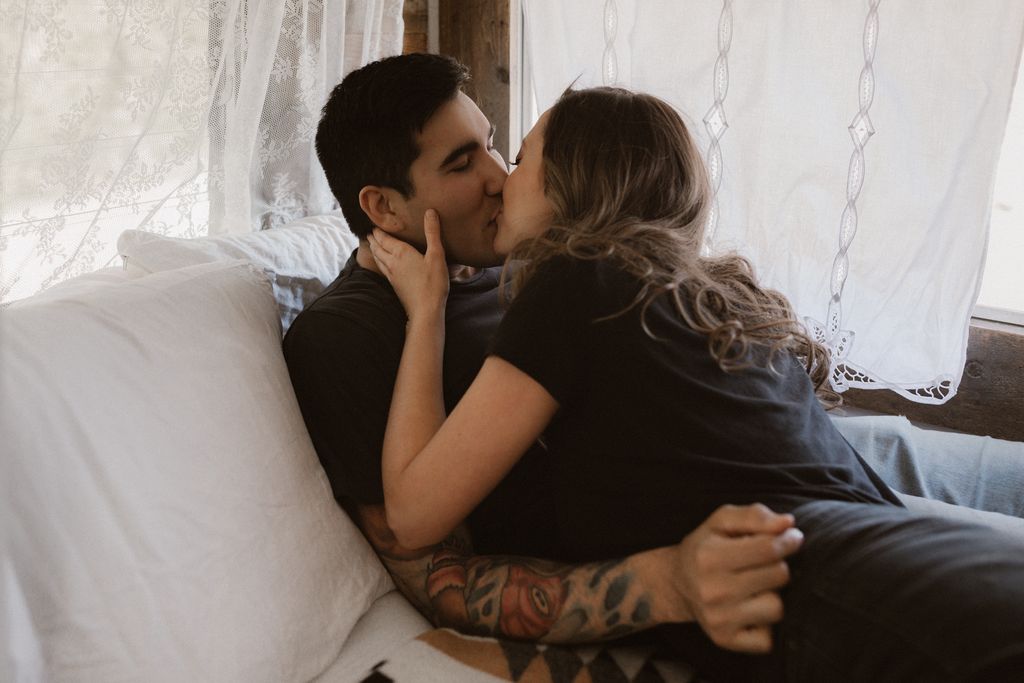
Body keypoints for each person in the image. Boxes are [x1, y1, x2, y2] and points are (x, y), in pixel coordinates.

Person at [367, 86, 1024, 681]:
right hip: (889, 551)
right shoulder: (695, 297)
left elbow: (415, 514)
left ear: (573, 182)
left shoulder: (576, 282)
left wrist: (425, 316)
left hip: (828, 580)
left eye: (519, 158)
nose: (500, 181)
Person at [284, 53, 803, 654]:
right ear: (381, 207)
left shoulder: (536, 266)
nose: (500, 176)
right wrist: (664, 584)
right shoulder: (343, 337)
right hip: (738, 572)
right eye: (461, 163)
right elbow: (434, 575)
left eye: (495, 146)